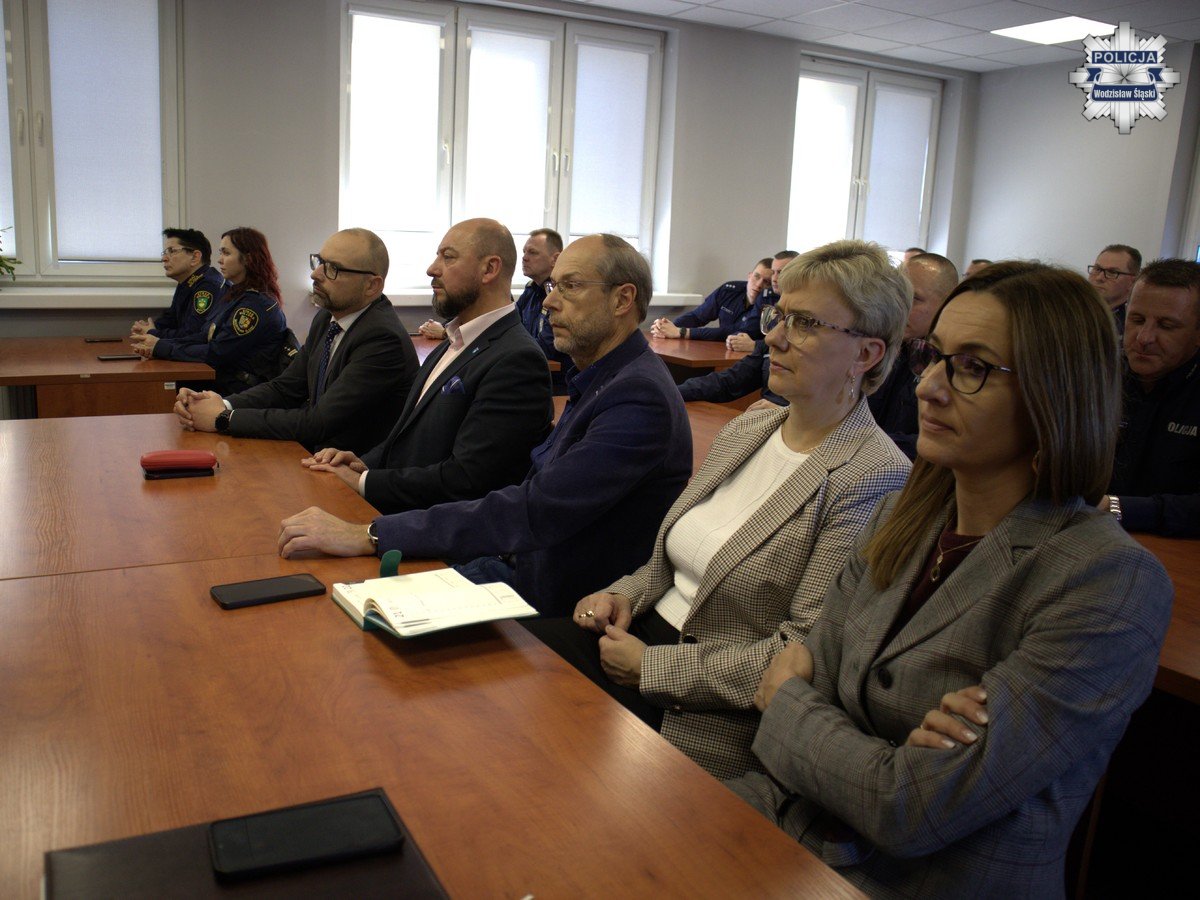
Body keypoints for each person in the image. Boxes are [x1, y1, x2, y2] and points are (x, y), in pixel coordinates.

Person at [727, 261, 1172, 898]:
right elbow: (815, 700)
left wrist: (788, 703)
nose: (929, 386)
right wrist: (870, 748)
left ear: (1055, 392)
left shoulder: (1108, 581)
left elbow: (910, 808)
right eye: (934, 356)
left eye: (972, 367)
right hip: (788, 833)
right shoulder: (900, 518)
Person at [525, 240, 912, 780]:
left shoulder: (874, 474)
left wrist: (650, 667)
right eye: (779, 314)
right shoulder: (754, 424)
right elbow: (671, 560)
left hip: (701, 708)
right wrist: (622, 594)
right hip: (632, 640)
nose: (773, 336)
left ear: (866, 354)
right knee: (496, 681)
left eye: (804, 323)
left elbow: (802, 651)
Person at [277, 234, 692, 616]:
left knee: (342, 615)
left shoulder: (638, 396)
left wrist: (371, 535)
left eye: (570, 286)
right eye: (553, 286)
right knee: (336, 594)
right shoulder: (602, 377)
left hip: (552, 601)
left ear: (622, 300)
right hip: (512, 563)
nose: (548, 302)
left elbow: (535, 509)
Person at [300, 219, 553, 513]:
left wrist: (365, 482)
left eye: (448, 257)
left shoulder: (517, 359)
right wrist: (361, 463)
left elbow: (467, 479)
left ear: (489, 269)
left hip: (432, 529)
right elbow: (409, 440)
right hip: (401, 509)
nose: (432, 269)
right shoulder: (454, 340)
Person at [171, 228, 418, 454]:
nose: (315, 274)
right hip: (316, 456)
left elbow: (319, 422)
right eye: (319, 261)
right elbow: (286, 387)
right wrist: (221, 403)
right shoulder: (327, 318)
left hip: (352, 470)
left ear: (371, 285)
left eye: (333, 268)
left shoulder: (382, 339)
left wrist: (223, 418)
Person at [1103, 257, 1200, 536]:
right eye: (1137, 320)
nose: (1144, 338)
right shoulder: (1100, 378)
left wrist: (1117, 507)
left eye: (1166, 326)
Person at [135, 227, 288, 395]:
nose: (220, 260)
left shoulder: (254, 306)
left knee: (157, 390)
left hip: (238, 390)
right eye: (220, 253)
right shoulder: (235, 296)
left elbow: (218, 352)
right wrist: (158, 343)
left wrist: (162, 347)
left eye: (226, 253)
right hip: (221, 378)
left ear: (248, 259)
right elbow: (203, 335)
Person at [867, 252, 959, 458]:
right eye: (897, 295)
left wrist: (864, 446)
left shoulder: (954, 367)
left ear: (947, 304)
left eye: (914, 299)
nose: (899, 307)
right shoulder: (881, 348)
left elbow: (935, 441)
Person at [130, 228, 224, 345]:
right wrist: (148, 328)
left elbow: (192, 335)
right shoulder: (187, 282)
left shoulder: (208, 286)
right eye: (165, 253)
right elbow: (171, 319)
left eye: (172, 251)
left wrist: (153, 333)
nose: (164, 258)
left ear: (195, 257)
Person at [651, 258, 772, 342]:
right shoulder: (729, 290)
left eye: (766, 282)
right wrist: (668, 327)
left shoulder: (770, 304)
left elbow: (733, 332)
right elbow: (697, 316)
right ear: (749, 276)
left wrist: (681, 332)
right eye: (756, 277)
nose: (759, 285)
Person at [726, 250, 799, 352]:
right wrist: (735, 338)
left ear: (797, 274)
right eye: (773, 272)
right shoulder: (767, 296)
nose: (774, 279)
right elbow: (749, 329)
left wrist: (755, 346)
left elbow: (792, 344)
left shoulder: (805, 302)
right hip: (762, 356)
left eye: (780, 272)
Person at [1088, 243, 1141, 333]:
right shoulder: (1073, 309)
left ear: (1132, 282)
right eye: (1097, 269)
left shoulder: (1133, 326)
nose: (1099, 278)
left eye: (1112, 272)